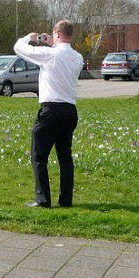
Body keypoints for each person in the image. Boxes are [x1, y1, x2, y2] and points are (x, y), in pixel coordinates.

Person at [13, 20, 84, 208]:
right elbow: (62, 55)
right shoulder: (78, 57)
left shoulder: (49, 55)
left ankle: (43, 199)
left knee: (39, 156)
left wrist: (31, 37)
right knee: (65, 157)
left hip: (51, 109)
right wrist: (53, 43)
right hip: (70, 110)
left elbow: (19, 48)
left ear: (57, 34)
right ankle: (66, 200)